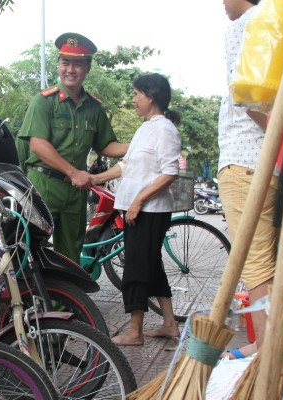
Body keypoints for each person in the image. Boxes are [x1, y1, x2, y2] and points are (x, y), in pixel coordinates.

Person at [17, 32, 128, 263]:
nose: (70, 70)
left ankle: (64, 289)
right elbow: (38, 144)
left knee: (70, 254)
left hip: (76, 191)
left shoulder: (94, 107)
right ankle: (30, 288)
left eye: (77, 64)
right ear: (58, 65)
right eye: (65, 63)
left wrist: (140, 144)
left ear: (87, 68)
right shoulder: (44, 101)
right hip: (44, 185)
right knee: (29, 250)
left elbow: (106, 146)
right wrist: (73, 172)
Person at [93, 73, 181, 346]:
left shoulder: (165, 129)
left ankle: (135, 331)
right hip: (137, 207)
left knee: (135, 267)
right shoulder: (145, 128)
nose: (133, 99)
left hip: (150, 210)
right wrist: (93, 179)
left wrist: (139, 200)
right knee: (151, 265)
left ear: (150, 96)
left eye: (136, 94)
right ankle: (169, 324)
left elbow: (170, 172)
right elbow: (126, 166)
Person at [218, 0, 274, 360]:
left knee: (257, 266)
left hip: (246, 160)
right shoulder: (277, 19)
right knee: (272, 262)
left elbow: (249, 98)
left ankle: (268, 352)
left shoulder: (248, 23)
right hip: (272, 163)